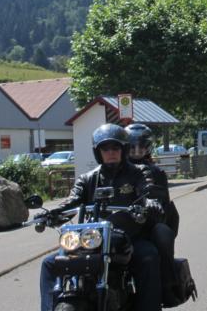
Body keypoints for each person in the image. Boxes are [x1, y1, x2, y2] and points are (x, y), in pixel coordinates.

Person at [39, 124, 163, 311]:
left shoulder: (138, 172)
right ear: (98, 152)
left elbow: (146, 191)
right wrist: (51, 213)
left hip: (130, 237)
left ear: (123, 149)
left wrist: (151, 202)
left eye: (115, 148)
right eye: (105, 149)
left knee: (148, 256)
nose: (110, 152)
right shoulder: (88, 178)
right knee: (49, 263)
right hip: (93, 239)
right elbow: (72, 201)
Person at [125, 123, 180, 306]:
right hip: (121, 221)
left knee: (161, 235)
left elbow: (163, 201)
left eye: (140, 146)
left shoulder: (156, 172)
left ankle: (167, 284)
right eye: (132, 146)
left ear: (148, 147)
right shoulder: (116, 168)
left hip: (149, 221)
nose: (136, 151)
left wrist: (154, 206)